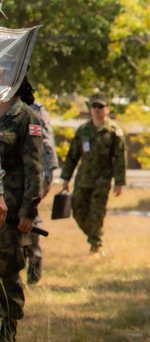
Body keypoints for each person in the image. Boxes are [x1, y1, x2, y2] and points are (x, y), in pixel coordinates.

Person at [0, 78, 44, 340]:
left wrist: (30, 208)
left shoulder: (26, 117)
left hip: (12, 214)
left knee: (6, 271)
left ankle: (7, 331)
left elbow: (34, 167)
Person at [60, 92, 126, 256]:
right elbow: (72, 155)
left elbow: (119, 158)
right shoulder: (83, 131)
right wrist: (66, 178)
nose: (96, 109)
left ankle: (95, 245)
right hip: (83, 178)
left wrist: (119, 182)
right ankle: (94, 237)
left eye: (100, 106)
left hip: (102, 180)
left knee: (97, 212)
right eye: (94, 106)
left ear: (107, 109)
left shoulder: (113, 132)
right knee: (78, 210)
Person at [24, 80, 59, 285]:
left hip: (31, 176)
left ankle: (34, 269)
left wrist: (48, 175)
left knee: (30, 220)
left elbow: (47, 141)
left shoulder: (35, 109)